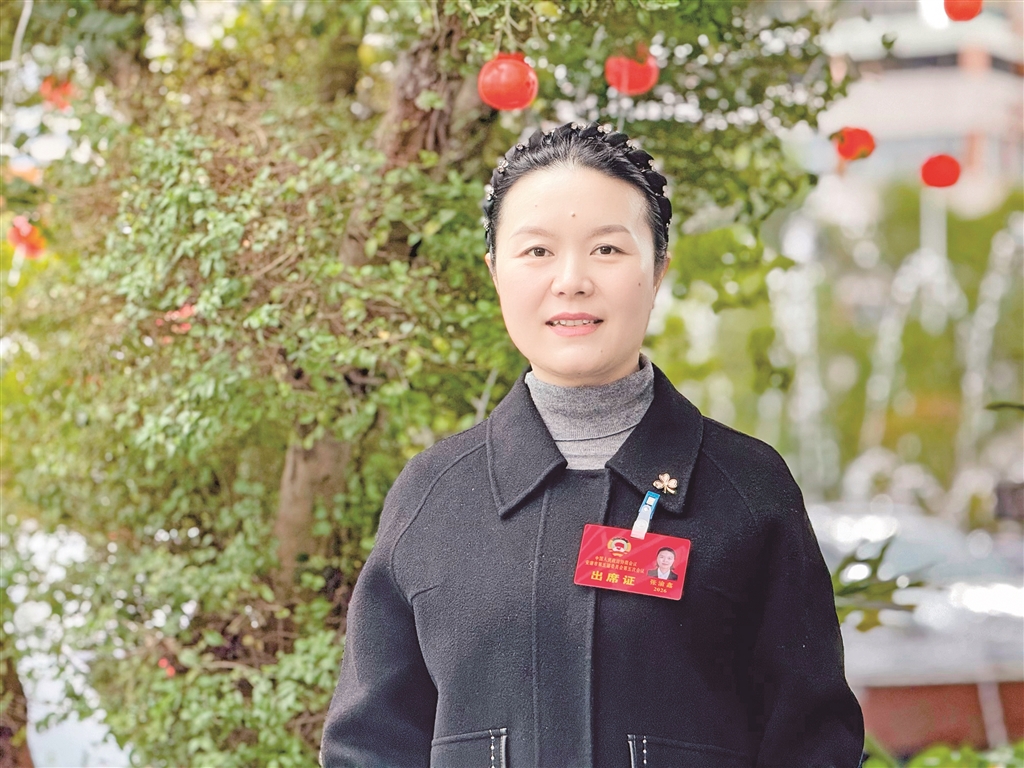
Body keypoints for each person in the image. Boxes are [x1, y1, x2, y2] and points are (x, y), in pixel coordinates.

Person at [320, 122, 864, 768]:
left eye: (607, 249)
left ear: (658, 270)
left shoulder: (747, 488)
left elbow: (814, 745)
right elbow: (368, 748)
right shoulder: (434, 496)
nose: (571, 280)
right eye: (537, 251)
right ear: (495, 273)